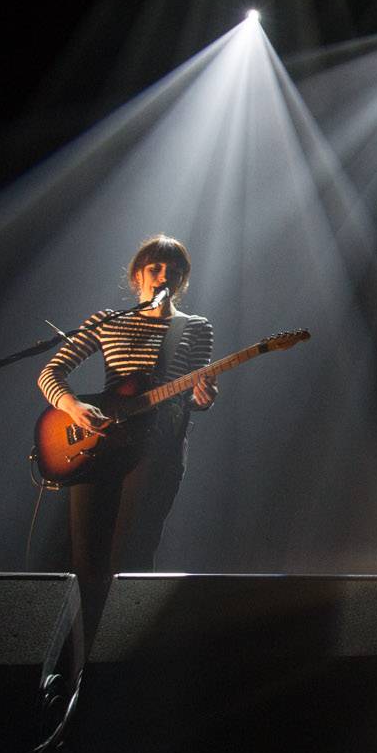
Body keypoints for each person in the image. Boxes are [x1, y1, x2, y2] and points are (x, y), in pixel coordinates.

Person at [37, 235, 217, 636]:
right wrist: (72, 406)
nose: (163, 276)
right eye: (154, 267)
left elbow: (194, 394)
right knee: (85, 562)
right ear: (138, 274)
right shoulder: (107, 321)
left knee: (131, 557)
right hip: (99, 447)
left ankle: (118, 655)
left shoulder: (195, 328)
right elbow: (50, 372)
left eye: (172, 270)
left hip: (157, 447)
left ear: (183, 279)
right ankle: (77, 662)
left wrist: (204, 398)